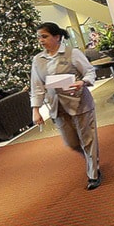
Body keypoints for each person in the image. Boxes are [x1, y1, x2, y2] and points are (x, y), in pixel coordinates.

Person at [30, 22, 102, 190]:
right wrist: (36, 110)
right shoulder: (38, 60)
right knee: (72, 143)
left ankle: (94, 174)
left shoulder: (72, 53)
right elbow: (37, 86)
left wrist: (82, 82)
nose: (41, 40)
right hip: (57, 107)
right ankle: (92, 160)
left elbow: (90, 71)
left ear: (57, 37)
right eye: (39, 37)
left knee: (88, 140)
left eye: (44, 36)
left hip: (79, 103)